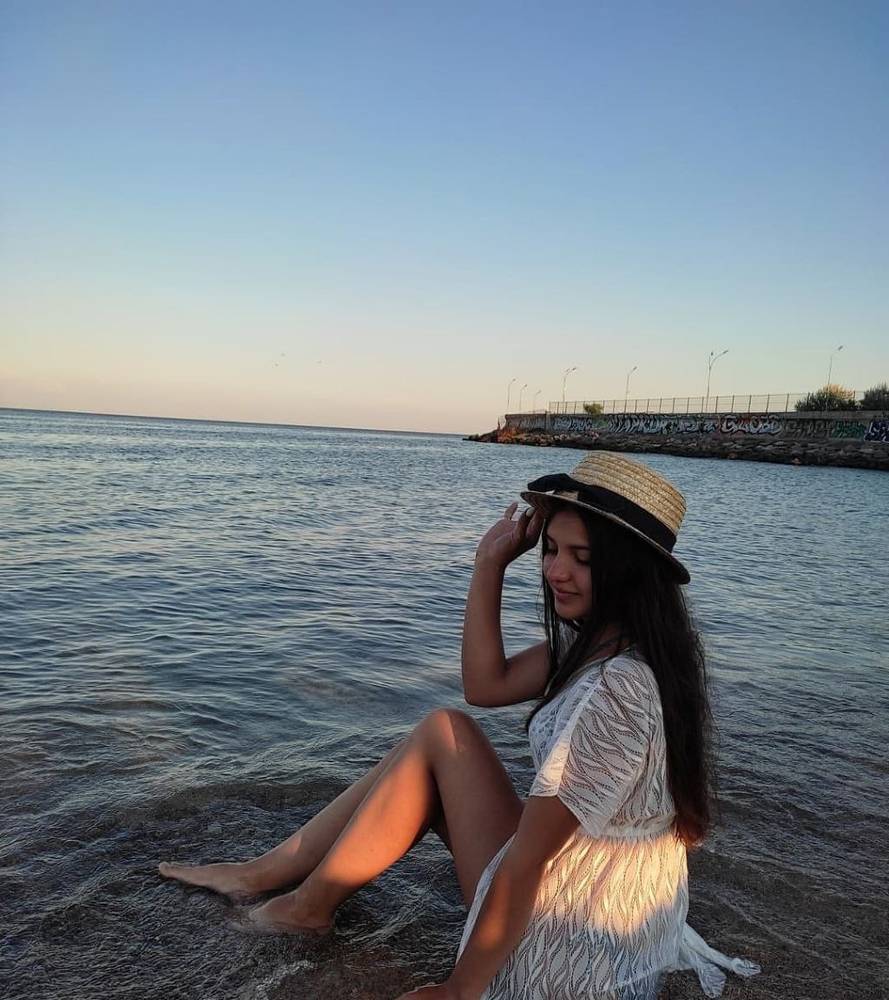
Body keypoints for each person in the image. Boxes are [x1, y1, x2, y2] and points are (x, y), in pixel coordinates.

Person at [158, 452, 760, 999]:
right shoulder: (613, 648)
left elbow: (529, 860)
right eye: (551, 549)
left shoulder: (621, 688)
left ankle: (297, 901)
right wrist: (489, 563)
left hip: (565, 940)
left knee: (442, 738)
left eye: (583, 559)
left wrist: (458, 991)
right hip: (594, 892)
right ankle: (271, 879)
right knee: (444, 733)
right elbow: (486, 686)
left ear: (631, 571)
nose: (556, 571)